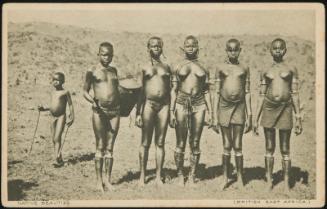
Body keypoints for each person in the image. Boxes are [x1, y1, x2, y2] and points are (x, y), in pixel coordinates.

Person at [253, 38, 303, 191]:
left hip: (285, 109)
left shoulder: (291, 69)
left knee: (285, 147)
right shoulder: (265, 71)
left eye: (281, 48)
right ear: (270, 50)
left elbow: (295, 94)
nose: (278, 50)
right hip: (269, 108)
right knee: (269, 146)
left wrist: (298, 117)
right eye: (275, 48)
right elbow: (261, 95)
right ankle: (269, 180)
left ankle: (287, 182)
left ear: (285, 50)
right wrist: (255, 118)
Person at [170, 35, 212, 186]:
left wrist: (211, 112)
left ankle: (192, 175)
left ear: (197, 47)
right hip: (181, 103)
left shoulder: (204, 67)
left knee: (195, 141)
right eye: (187, 46)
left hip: (199, 104)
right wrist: (171, 110)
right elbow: (174, 90)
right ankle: (180, 175)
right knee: (180, 141)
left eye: (193, 45)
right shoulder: (177, 66)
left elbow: (207, 91)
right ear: (183, 48)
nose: (190, 48)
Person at [212, 39, 252, 190]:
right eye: (230, 50)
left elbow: (247, 92)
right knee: (227, 145)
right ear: (226, 50)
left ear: (240, 50)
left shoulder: (244, 68)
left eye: (236, 50)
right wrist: (214, 116)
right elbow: (216, 92)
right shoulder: (220, 68)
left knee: (238, 145)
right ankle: (225, 177)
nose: (233, 52)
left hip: (239, 107)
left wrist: (250, 115)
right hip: (224, 107)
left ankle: (240, 178)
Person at [83, 42, 120, 192]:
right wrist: (93, 101)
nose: (106, 57)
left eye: (109, 54)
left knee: (110, 148)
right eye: (104, 54)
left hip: (115, 112)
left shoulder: (114, 70)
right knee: (100, 146)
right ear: (98, 54)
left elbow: (117, 89)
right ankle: (98, 182)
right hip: (99, 111)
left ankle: (108, 181)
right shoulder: (92, 71)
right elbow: (84, 91)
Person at [135, 36, 171, 187]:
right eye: (153, 46)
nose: (156, 48)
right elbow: (139, 91)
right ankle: (142, 176)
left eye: (158, 46)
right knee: (145, 142)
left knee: (160, 142)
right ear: (148, 48)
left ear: (162, 47)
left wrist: (172, 109)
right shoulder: (143, 67)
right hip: (148, 105)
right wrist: (137, 112)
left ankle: (158, 177)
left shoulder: (167, 67)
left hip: (164, 106)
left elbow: (171, 89)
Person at [38, 72, 74, 167]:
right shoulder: (52, 93)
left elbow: (70, 104)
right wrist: (43, 108)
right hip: (52, 116)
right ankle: (59, 158)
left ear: (62, 81)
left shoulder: (65, 92)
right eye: (53, 80)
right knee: (54, 139)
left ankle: (56, 157)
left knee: (57, 137)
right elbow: (52, 106)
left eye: (57, 80)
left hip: (61, 116)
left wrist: (72, 116)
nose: (55, 82)